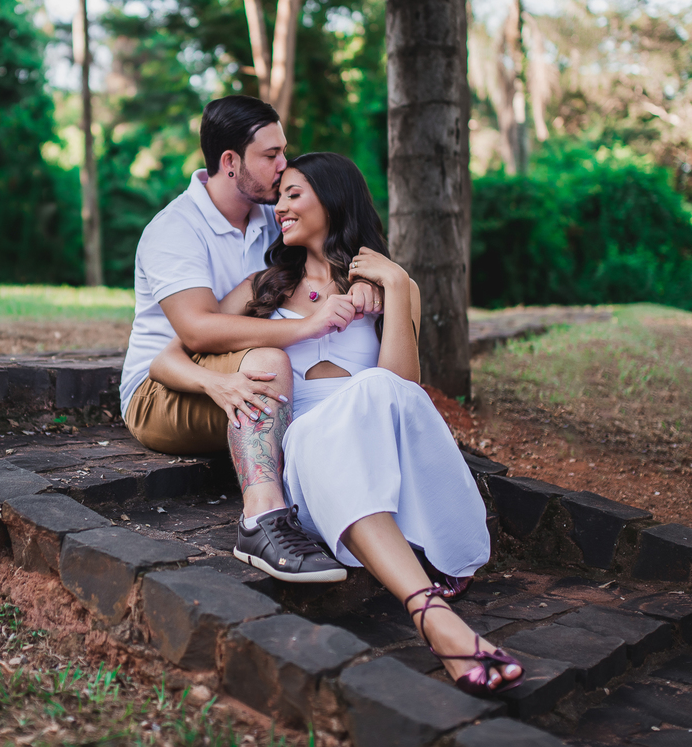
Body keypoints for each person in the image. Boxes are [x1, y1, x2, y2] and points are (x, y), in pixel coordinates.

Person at [148, 152, 524, 696]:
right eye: (279, 195)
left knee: (374, 388)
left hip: (379, 448)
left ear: (333, 198)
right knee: (341, 420)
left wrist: (395, 286)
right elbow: (166, 359)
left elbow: (401, 390)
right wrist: (216, 384)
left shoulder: (393, 288)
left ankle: (431, 617)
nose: (280, 207)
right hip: (308, 451)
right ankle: (435, 617)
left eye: (294, 194)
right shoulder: (262, 288)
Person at [120, 96, 382, 584]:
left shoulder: (273, 218)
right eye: (271, 155)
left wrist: (365, 282)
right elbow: (196, 332)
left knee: (303, 378)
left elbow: (325, 256)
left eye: (284, 151)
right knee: (270, 363)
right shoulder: (175, 230)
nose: (284, 165)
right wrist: (306, 327)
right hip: (167, 386)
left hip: (244, 371)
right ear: (230, 162)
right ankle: (261, 522)